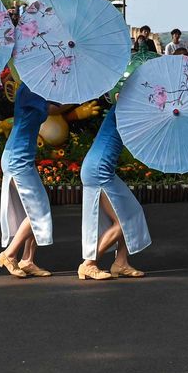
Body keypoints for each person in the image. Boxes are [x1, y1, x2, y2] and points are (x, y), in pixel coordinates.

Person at [0, 81, 64, 279]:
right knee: (39, 210)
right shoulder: (29, 89)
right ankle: (9, 254)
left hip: (23, 156)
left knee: (38, 206)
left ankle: (28, 260)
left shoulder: (40, 88)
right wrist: (76, 98)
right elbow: (52, 109)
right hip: (17, 157)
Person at [77, 104, 151, 280]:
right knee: (124, 221)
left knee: (133, 212)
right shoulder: (126, 107)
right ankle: (89, 264)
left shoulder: (130, 107)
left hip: (100, 168)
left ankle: (121, 262)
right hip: (99, 170)